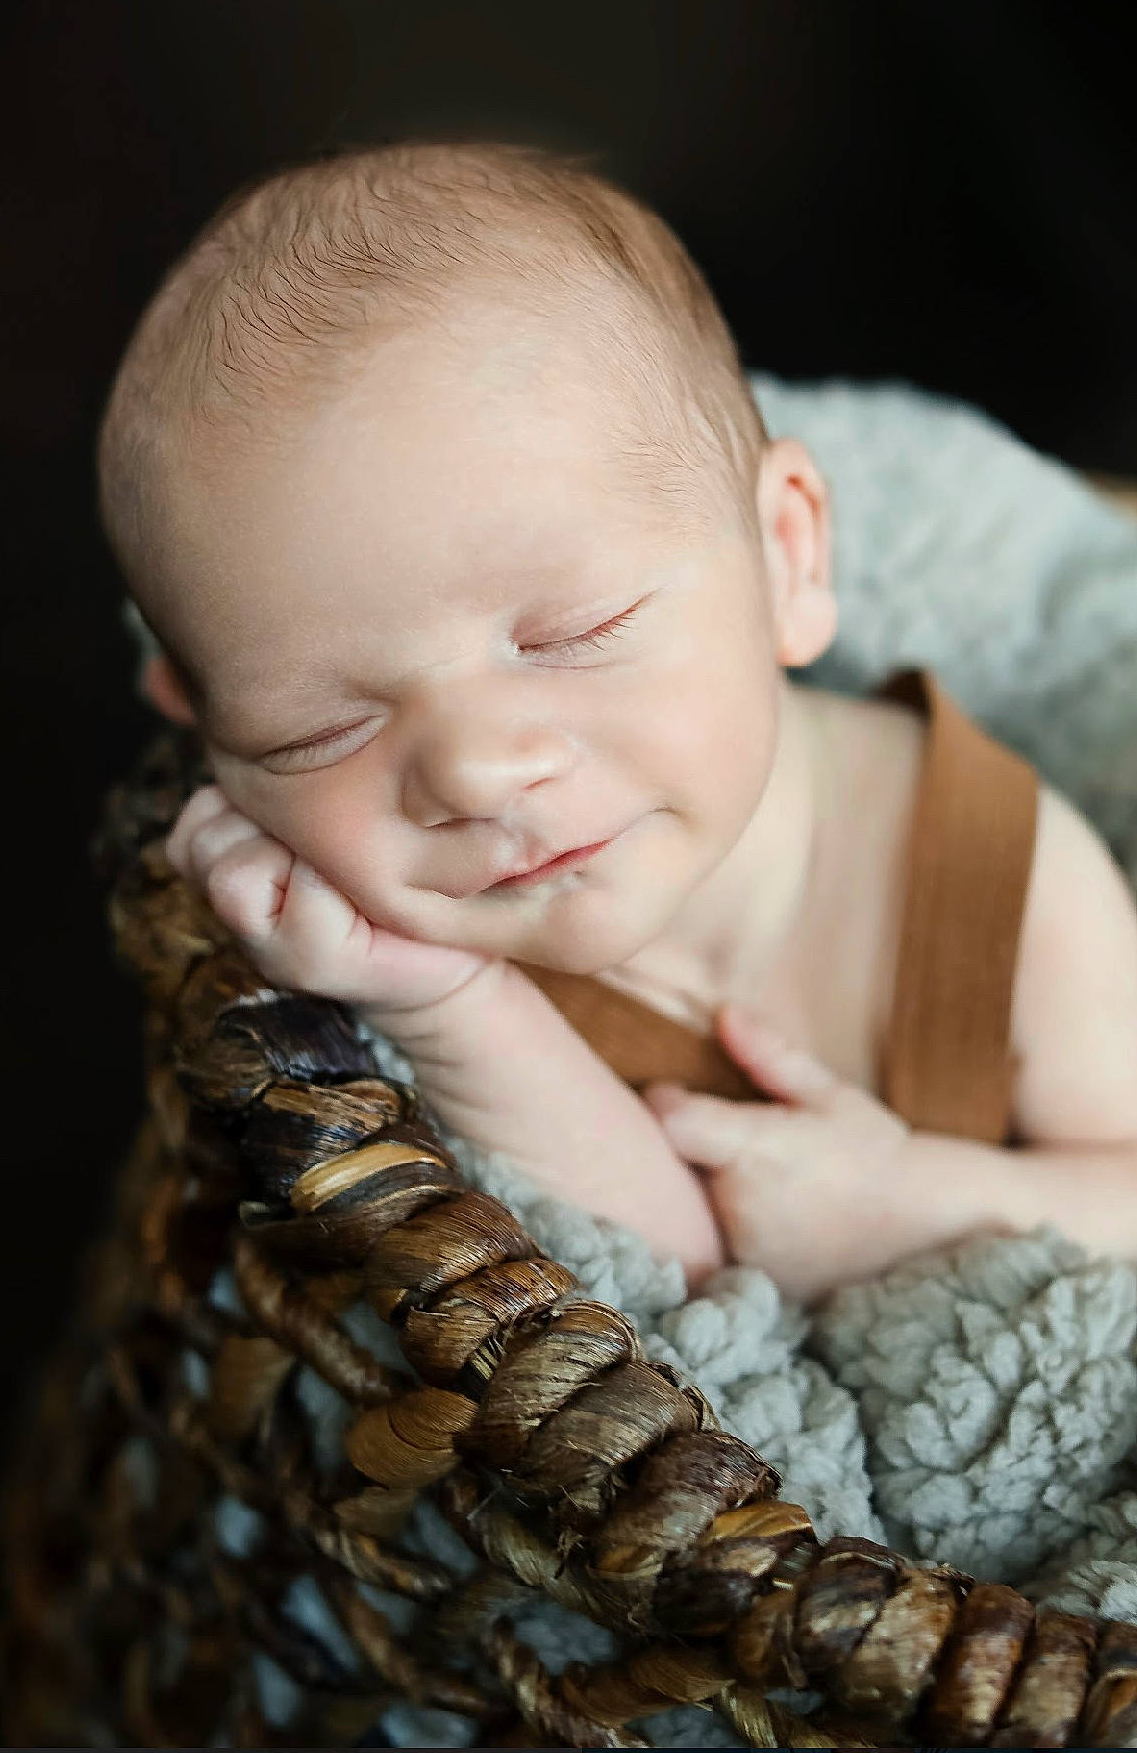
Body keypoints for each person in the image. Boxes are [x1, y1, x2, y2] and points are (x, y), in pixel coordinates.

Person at [97, 138, 1137, 1303]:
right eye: (319, 730)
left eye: (571, 632)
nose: (480, 771)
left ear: (788, 557)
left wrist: (913, 1206)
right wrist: (450, 1005)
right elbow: (634, 1312)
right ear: (197, 722)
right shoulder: (389, 963)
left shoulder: (1007, 876)